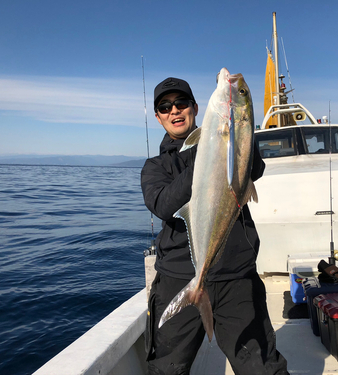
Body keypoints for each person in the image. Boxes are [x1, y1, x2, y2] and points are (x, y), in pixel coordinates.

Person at [141, 77, 288, 375]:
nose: (175, 110)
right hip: (178, 279)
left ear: (197, 108)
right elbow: (163, 205)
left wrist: (232, 134)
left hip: (237, 277)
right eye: (165, 107)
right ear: (158, 117)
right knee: (167, 369)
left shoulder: (228, 139)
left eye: (181, 103)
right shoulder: (155, 167)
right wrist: (206, 157)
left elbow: (254, 167)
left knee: (263, 369)